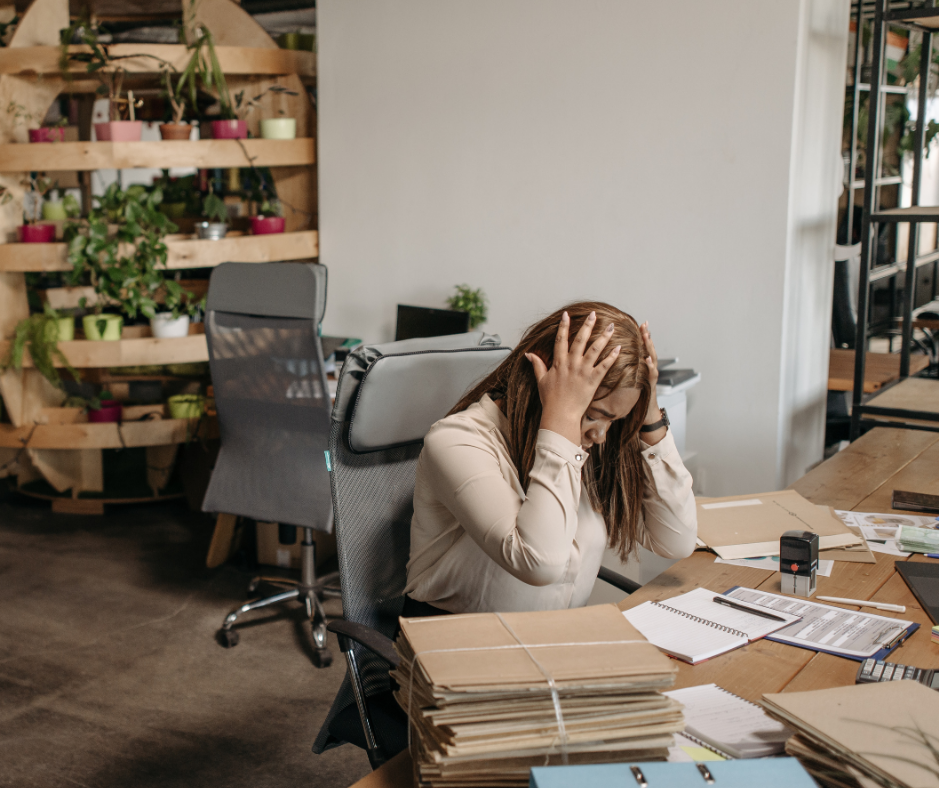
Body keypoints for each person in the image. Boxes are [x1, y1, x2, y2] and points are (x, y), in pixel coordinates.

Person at [403, 301, 697, 615]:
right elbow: (539, 563)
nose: (601, 436)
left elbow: (675, 540)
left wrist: (649, 414)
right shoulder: (457, 441)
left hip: (551, 644)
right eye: (596, 415)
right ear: (545, 380)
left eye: (615, 420)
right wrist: (562, 416)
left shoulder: (590, 446)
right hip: (457, 649)